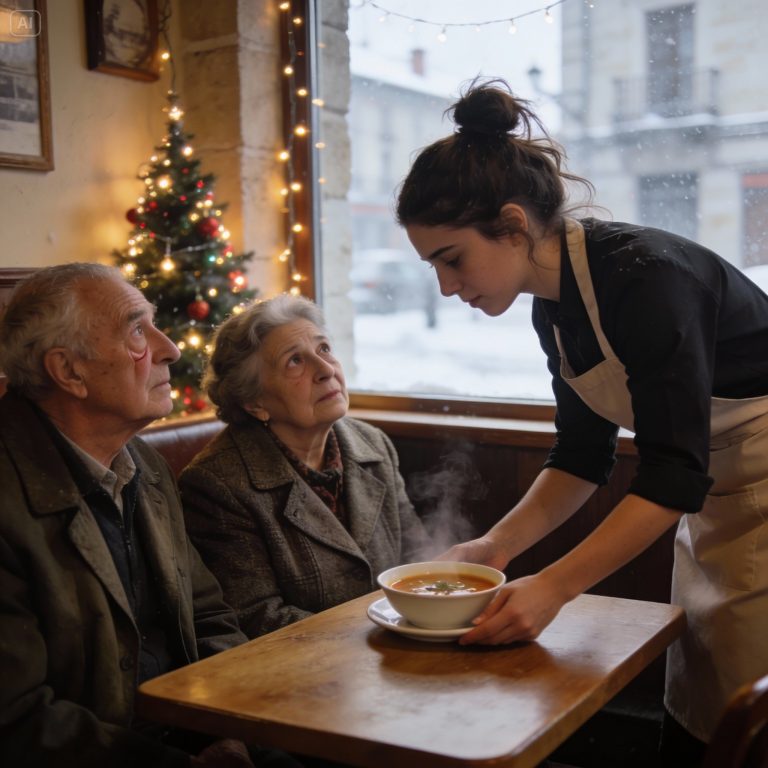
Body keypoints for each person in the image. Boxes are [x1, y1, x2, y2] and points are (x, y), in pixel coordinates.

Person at [395, 79, 768, 766]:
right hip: (716, 505)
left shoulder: (648, 279)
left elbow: (671, 474)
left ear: (513, 225)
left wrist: (554, 588)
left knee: (746, 722)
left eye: (452, 258)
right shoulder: (555, 306)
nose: (446, 286)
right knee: (704, 698)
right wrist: (495, 548)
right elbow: (582, 453)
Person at [0, 264, 303, 768]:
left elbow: (208, 618)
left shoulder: (145, 465)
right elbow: (18, 721)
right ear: (69, 371)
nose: (171, 349)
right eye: (137, 330)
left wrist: (236, 732)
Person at [178, 294, 428, 638]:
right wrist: (378, 634)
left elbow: (417, 561)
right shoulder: (218, 484)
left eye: (324, 349)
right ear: (254, 402)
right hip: (304, 666)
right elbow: (257, 618)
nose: (326, 370)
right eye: (295, 361)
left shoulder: (373, 444)